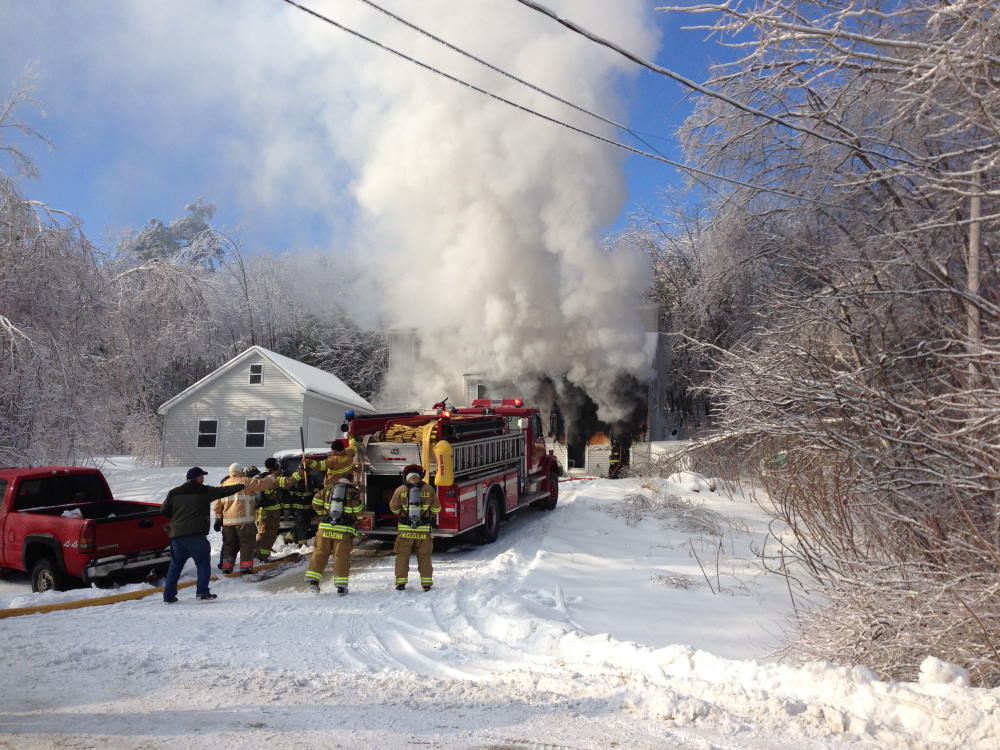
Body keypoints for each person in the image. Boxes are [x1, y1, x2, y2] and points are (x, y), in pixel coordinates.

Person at [161, 467, 244, 603]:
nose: (203, 478)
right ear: (198, 478)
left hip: (177, 535)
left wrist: (178, 518)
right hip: (195, 535)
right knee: (203, 562)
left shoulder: (173, 492)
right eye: (202, 476)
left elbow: (164, 510)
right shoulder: (204, 490)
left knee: (175, 566)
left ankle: (168, 595)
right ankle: (202, 592)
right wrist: (241, 486)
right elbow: (223, 491)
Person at [304, 476, 364, 594]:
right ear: (350, 481)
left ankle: (314, 582)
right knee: (341, 557)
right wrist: (356, 518)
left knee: (319, 554)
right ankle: (341, 587)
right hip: (343, 532)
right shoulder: (353, 492)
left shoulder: (327, 489)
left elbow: (315, 503)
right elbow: (360, 512)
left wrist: (323, 513)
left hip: (324, 529)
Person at [215, 464, 276, 575]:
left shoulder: (223, 484)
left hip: (228, 523)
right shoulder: (246, 481)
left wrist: (217, 519)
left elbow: (217, 504)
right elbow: (262, 485)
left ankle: (227, 568)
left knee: (229, 545)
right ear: (240, 471)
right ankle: (245, 568)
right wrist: (273, 476)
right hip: (245, 522)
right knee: (246, 545)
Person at [388, 465, 441, 592]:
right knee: (424, 556)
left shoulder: (400, 489)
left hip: (405, 530)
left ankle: (401, 583)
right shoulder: (429, 489)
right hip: (423, 530)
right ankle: (426, 583)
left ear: (406, 476)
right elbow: (436, 508)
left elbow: (394, 508)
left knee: (403, 556)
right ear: (421, 476)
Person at [256, 457, 302, 561]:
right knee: (270, 534)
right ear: (276, 466)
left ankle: (255, 554)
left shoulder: (262, 477)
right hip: (271, 512)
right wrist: (300, 473)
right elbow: (288, 482)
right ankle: (263, 556)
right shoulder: (273, 479)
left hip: (262, 511)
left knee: (262, 533)